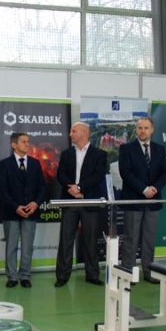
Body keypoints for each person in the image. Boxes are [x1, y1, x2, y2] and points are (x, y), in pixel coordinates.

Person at [118, 117, 166, 284]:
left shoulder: (160, 149)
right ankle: (129, 272)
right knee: (130, 239)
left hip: (153, 201)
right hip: (133, 200)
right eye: (140, 128)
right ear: (136, 130)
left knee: (149, 239)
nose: (143, 131)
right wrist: (143, 189)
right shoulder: (126, 149)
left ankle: (149, 271)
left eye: (146, 128)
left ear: (152, 130)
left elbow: (165, 172)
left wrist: (154, 188)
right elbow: (125, 172)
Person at [55, 122, 107, 287]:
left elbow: (99, 175)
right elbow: (61, 174)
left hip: (89, 201)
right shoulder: (67, 154)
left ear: (84, 133)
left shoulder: (99, 154)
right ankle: (62, 276)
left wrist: (80, 188)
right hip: (70, 201)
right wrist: (72, 189)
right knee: (66, 239)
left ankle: (92, 274)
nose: (70, 134)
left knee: (91, 239)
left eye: (74, 131)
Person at [0, 132, 46, 288]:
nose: (27, 144)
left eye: (28, 141)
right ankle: (12, 276)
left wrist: (36, 203)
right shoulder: (5, 164)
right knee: (11, 246)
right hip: (11, 212)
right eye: (23, 141)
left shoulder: (35, 163)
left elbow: (42, 187)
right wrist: (15, 206)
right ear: (14, 145)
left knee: (27, 246)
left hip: (31, 212)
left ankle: (25, 275)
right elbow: (3, 189)